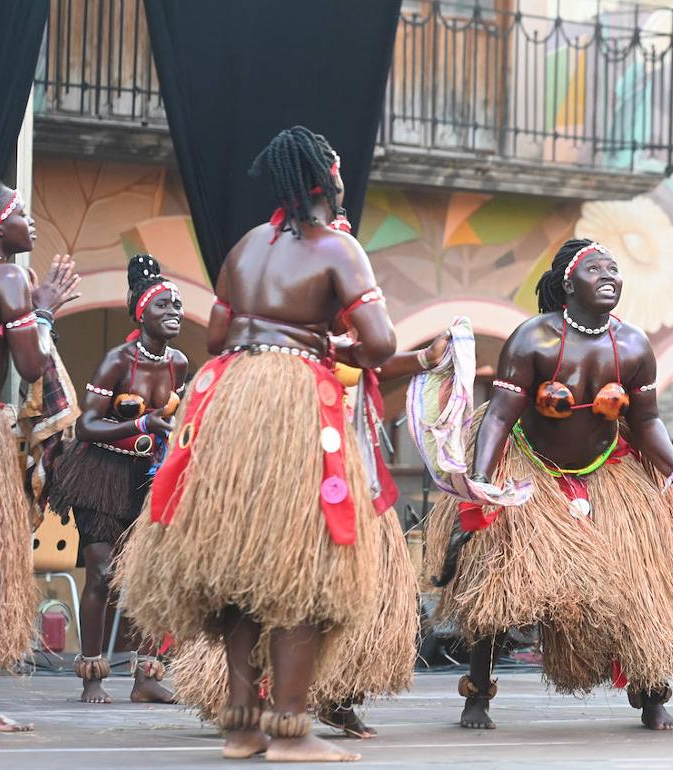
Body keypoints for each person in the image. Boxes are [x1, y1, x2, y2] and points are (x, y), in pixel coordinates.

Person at [115, 127, 415, 763]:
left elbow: (217, 335)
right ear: (326, 182)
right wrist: (328, 345)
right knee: (299, 564)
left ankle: (241, 724)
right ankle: (291, 730)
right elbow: (382, 344)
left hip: (226, 398)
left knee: (240, 565)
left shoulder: (246, 246)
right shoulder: (339, 249)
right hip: (291, 403)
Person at [424, 238, 673, 731]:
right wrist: (483, 481)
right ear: (568, 283)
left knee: (646, 579)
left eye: (615, 269)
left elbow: (646, 423)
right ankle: (478, 696)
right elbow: (501, 417)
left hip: (606, 470)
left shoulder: (635, 345)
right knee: (496, 579)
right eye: (596, 269)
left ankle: (652, 694)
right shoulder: (533, 339)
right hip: (530, 470)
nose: (610, 277)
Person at [168, 337, 448, 740]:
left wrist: (423, 359)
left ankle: (339, 699)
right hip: (293, 478)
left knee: (365, 596)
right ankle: (248, 705)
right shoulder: (284, 341)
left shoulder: (337, 335)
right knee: (275, 596)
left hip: (349, 472)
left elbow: (370, 362)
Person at [48, 255, 185, 705]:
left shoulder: (177, 363)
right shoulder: (117, 361)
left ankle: (146, 676)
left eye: (178, 305)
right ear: (141, 313)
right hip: (99, 473)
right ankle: (92, 675)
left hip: (147, 478)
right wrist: (140, 426)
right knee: (103, 574)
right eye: (164, 305)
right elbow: (86, 425)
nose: (175, 312)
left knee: (148, 574)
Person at [0, 178, 80, 732]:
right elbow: (33, 366)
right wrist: (42, 312)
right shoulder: (8, 277)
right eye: (20, 211)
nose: (31, 220)